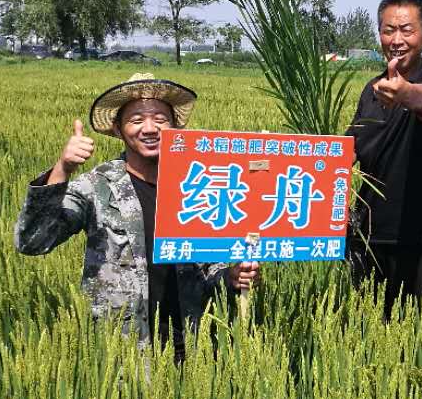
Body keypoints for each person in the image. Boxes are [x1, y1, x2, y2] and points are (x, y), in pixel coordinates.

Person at [15, 72, 259, 357]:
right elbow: (32, 241)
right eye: (136, 119)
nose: (150, 128)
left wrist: (231, 277)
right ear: (118, 129)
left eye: (160, 119)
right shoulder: (97, 186)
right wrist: (63, 168)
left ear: (175, 128)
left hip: (192, 349)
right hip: (122, 351)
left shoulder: (195, 187)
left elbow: (207, 265)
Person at [348, 0, 422, 316]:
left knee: (414, 329)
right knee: (364, 325)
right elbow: (350, 147)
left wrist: (405, 92)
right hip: (365, 235)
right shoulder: (371, 89)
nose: (396, 40)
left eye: (406, 30)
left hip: (415, 238)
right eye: (388, 30)